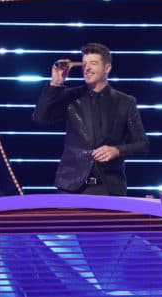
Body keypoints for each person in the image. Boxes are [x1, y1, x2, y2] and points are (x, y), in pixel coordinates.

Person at [33, 43, 148, 196]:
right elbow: (40, 118)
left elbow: (142, 145)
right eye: (84, 64)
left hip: (108, 187)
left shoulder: (125, 102)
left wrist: (117, 150)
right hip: (71, 187)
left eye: (93, 63)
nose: (87, 68)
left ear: (107, 68)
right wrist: (55, 83)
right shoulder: (71, 97)